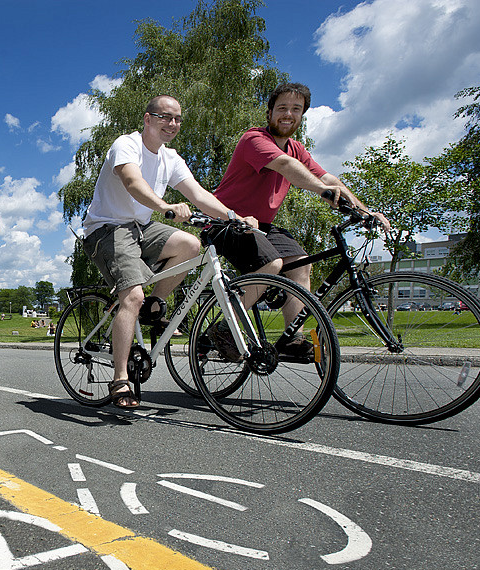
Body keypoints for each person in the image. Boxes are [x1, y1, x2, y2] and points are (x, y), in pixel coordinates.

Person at [81, 94, 257, 409]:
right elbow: (133, 182)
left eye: (177, 119)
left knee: (191, 244)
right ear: (147, 119)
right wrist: (164, 206)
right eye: (165, 117)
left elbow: (198, 194)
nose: (172, 124)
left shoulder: (171, 158)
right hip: (107, 228)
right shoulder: (127, 145)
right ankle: (120, 379)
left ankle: (155, 304)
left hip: (141, 227)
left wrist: (233, 217)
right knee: (130, 297)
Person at [212, 82, 390, 357]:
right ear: (270, 112)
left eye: (296, 109)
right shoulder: (254, 139)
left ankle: (290, 339)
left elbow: (328, 178)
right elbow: (286, 166)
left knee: (299, 264)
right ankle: (225, 328)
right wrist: (323, 191)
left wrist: (364, 212)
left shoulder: (297, 148)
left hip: (262, 225)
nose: (288, 114)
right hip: (228, 221)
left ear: (302, 115)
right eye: (282, 108)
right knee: (271, 263)